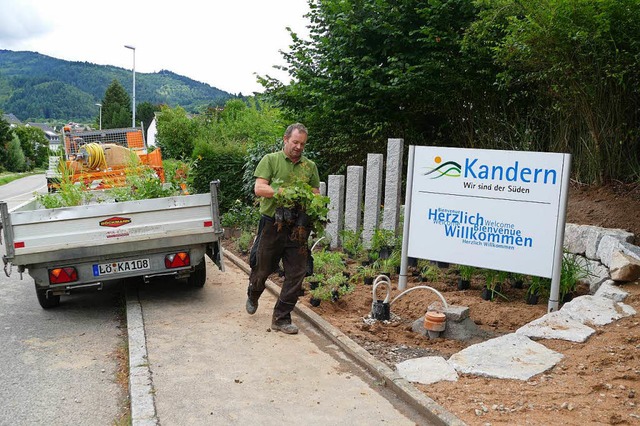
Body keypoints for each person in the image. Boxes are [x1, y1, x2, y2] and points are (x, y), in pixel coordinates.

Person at [246, 123, 320, 334]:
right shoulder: (271, 160)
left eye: (302, 144)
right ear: (286, 139)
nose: (298, 147)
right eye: (295, 142)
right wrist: (282, 192)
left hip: (298, 226)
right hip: (272, 224)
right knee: (262, 268)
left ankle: (281, 317)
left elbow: (315, 192)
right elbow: (259, 187)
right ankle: (254, 291)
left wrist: (311, 201)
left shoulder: (309, 166)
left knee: (297, 272)